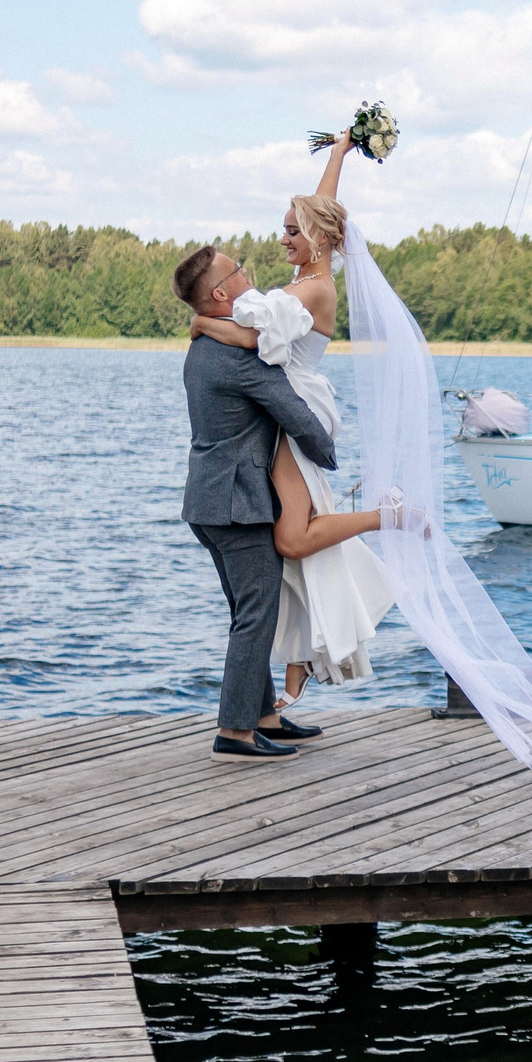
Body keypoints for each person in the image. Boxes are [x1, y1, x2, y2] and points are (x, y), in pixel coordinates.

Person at [188, 142, 419, 726]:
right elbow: (326, 206)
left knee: (291, 541)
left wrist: (202, 321)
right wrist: (341, 151)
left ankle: (385, 518)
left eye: (294, 231)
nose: (283, 239)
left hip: (296, 411)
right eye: (284, 228)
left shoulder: (311, 291)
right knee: (289, 551)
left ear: (320, 238)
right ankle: (290, 674)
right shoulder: (306, 274)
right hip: (287, 405)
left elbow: (250, 340)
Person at [173, 239, 346, 764]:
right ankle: (235, 732)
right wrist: (327, 453)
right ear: (222, 293)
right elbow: (294, 414)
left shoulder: (204, 347)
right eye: (240, 271)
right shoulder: (237, 357)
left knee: (249, 612)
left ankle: (264, 714)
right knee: (255, 615)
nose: (249, 275)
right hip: (237, 504)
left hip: (209, 500)